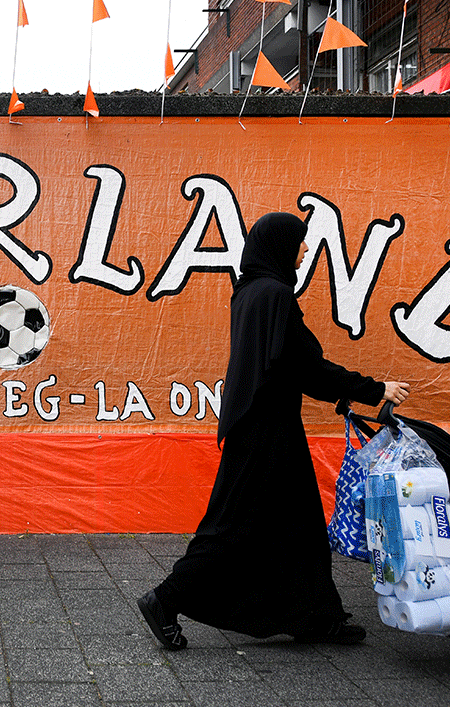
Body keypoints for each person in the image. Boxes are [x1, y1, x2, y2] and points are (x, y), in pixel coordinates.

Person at [138, 212, 411, 649]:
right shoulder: (276, 294)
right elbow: (306, 366)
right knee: (232, 529)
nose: (305, 252)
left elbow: (284, 365)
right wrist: (375, 389)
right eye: (300, 244)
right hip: (266, 436)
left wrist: (344, 392)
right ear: (281, 246)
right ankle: (165, 599)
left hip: (258, 427)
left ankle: (318, 617)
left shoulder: (250, 291)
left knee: (298, 525)